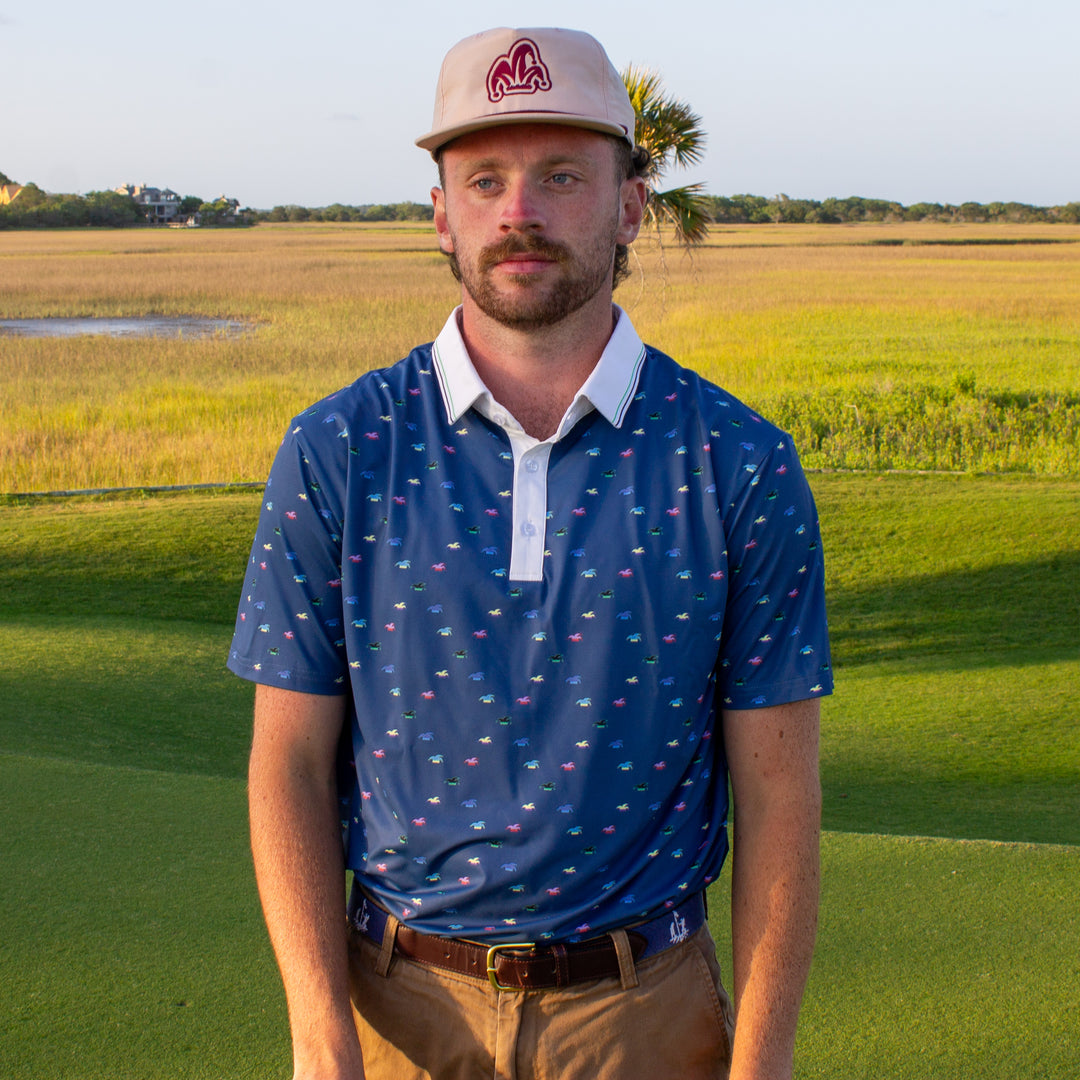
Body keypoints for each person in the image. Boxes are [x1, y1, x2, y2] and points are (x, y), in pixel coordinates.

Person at [229, 26, 832, 1080]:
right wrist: (319, 1038)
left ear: (630, 204)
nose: (519, 213)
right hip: (393, 1008)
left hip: (647, 1014)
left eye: (562, 176)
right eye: (485, 180)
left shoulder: (739, 462)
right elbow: (286, 757)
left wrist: (764, 1061)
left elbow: (780, 792)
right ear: (440, 212)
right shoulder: (338, 449)